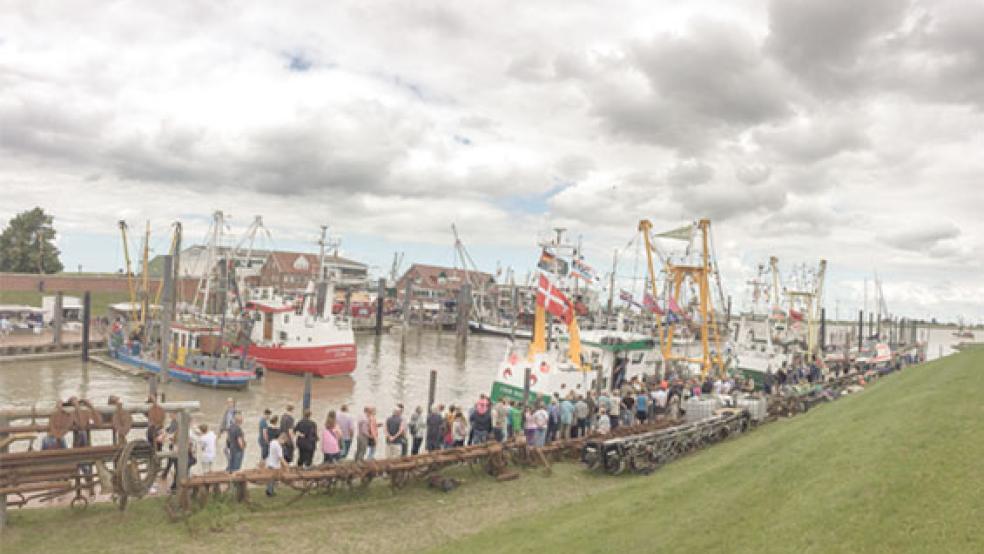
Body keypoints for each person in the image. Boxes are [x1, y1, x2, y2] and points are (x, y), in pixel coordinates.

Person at [266, 431, 286, 496]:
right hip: (274, 465)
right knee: (272, 478)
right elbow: (281, 458)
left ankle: (269, 490)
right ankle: (270, 492)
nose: (284, 443)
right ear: (281, 438)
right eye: (284, 441)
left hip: (269, 462)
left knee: (270, 479)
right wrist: (286, 465)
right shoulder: (279, 447)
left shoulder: (272, 442)